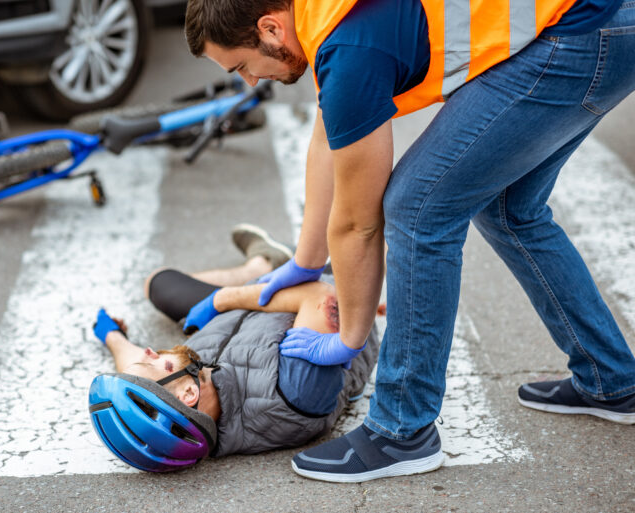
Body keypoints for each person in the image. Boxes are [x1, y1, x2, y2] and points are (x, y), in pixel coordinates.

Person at [183, 0, 635, 482]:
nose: (249, 81)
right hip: (605, 23)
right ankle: (610, 379)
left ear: (270, 28)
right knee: (510, 210)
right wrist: (305, 262)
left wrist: (350, 337)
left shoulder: (349, 45)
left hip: (584, 34)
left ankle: (403, 430)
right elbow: (327, 142)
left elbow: (359, 222)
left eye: (242, 66)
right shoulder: (322, 16)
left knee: (418, 209)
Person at [88, 224, 381, 472]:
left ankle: (263, 264)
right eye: (154, 363)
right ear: (188, 394)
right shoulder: (291, 393)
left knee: (158, 283)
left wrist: (112, 335)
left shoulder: (191, 381)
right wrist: (222, 300)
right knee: (351, 232)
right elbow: (320, 296)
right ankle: (268, 265)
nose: (151, 351)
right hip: (325, 280)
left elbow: (135, 368)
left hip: (252, 308)